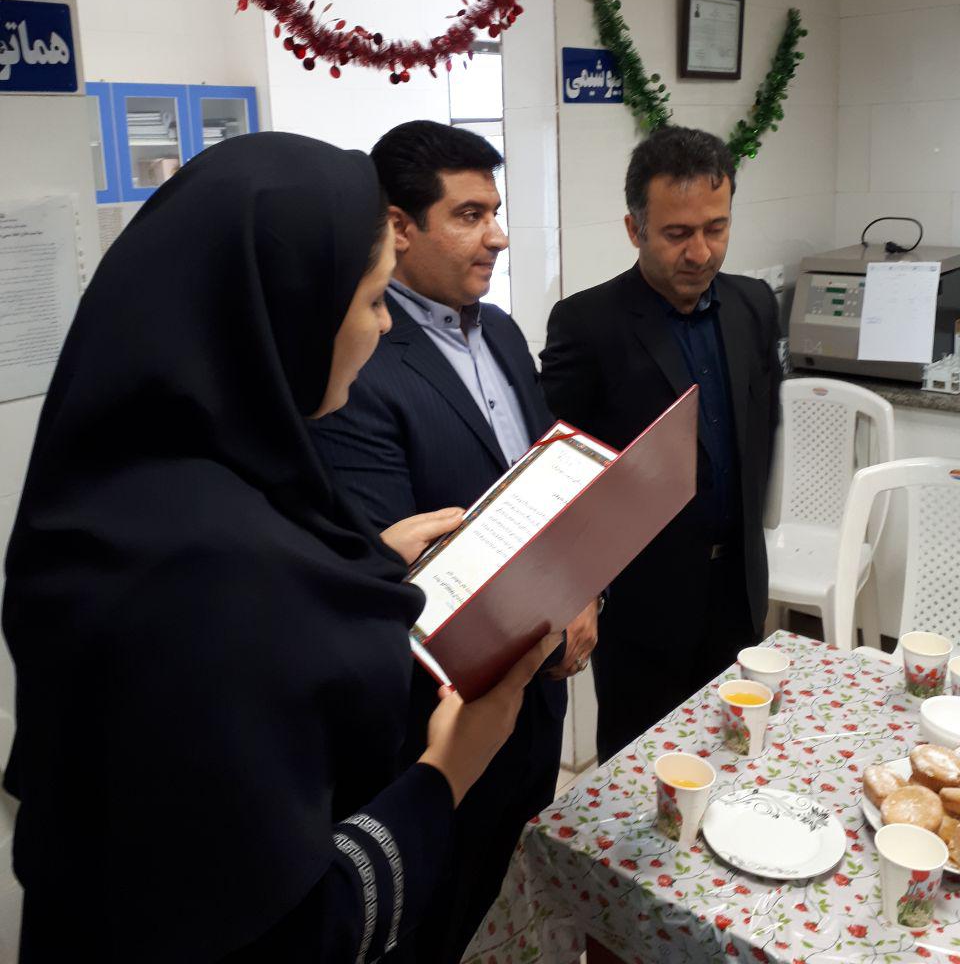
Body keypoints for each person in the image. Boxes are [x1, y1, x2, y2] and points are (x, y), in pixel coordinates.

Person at [2, 132, 555, 963]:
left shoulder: (127, 485)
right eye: (372, 300)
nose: (382, 328)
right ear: (284, 312)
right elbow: (292, 929)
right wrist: (451, 766)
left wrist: (363, 562)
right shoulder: (211, 573)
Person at [309, 120, 599, 964]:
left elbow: (551, 481)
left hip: (537, 687)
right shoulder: (360, 360)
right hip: (442, 711)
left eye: (495, 212)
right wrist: (545, 613)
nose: (497, 236)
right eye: (470, 215)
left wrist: (585, 586)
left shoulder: (501, 331)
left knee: (513, 886)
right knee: (441, 913)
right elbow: (403, 568)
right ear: (400, 227)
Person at [540, 126, 781, 764]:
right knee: (637, 773)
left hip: (737, 588)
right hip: (643, 602)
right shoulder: (587, 324)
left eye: (716, 228)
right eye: (677, 234)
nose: (700, 252)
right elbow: (558, 470)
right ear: (635, 229)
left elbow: (761, 430)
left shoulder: (754, 305)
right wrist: (577, 587)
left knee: (734, 755)